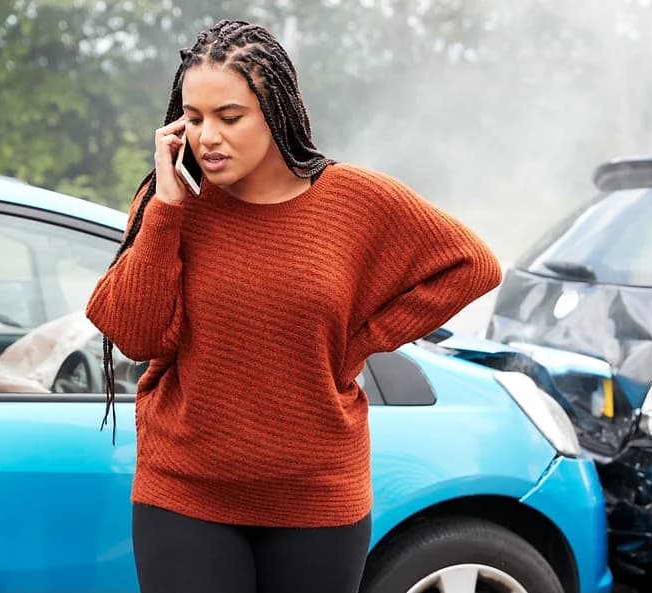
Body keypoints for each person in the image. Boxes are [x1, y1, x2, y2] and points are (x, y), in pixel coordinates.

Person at [85, 18, 502, 593]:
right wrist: (165, 210)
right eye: (195, 117)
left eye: (230, 117)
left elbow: (471, 266)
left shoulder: (355, 199)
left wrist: (360, 341)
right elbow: (136, 335)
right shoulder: (170, 202)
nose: (208, 137)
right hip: (185, 493)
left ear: (277, 111)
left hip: (318, 497)